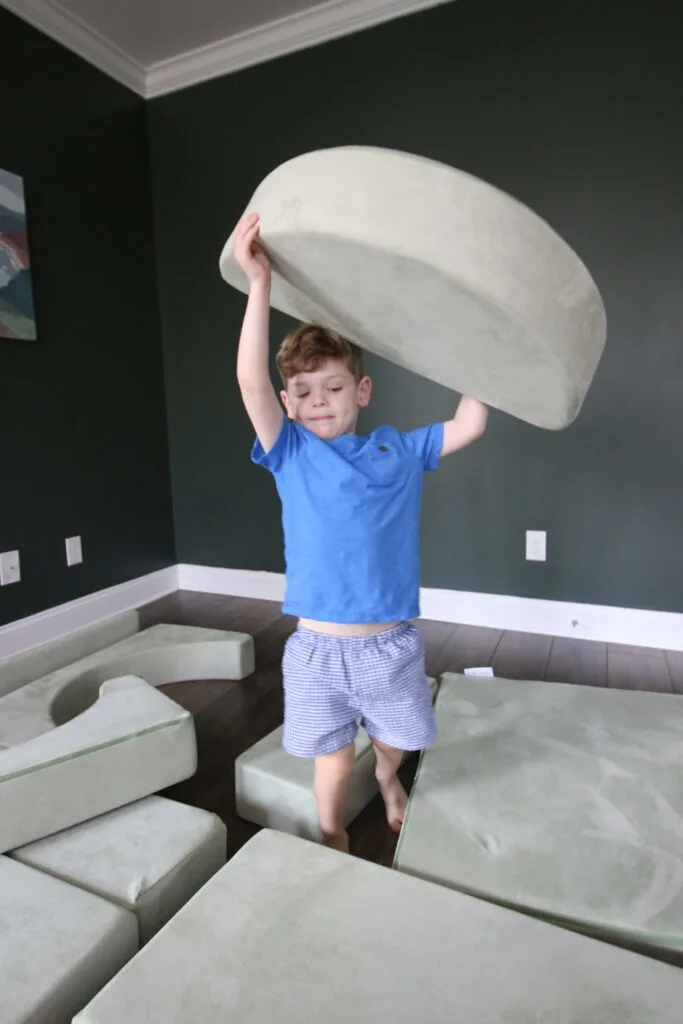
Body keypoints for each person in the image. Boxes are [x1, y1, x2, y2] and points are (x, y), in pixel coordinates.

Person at [233, 212, 488, 853]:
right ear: (288, 402)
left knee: (398, 738)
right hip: (318, 648)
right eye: (303, 390)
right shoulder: (288, 450)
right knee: (329, 755)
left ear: (363, 390)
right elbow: (248, 382)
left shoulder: (398, 450)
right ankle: (331, 828)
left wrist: (484, 348)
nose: (318, 400)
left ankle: (388, 775)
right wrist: (257, 283)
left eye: (334, 386)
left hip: (389, 644)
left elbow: (470, 423)